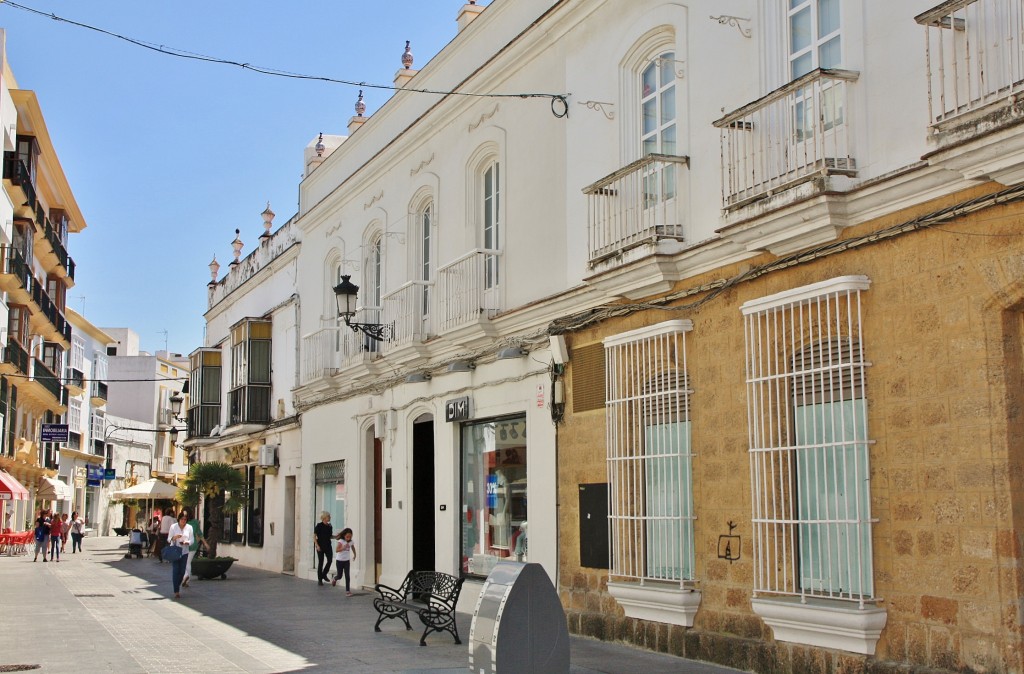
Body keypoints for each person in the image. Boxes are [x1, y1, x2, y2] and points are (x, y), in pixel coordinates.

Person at [166, 512, 194, 599]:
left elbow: (192, 539)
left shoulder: (189, 527)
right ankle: (176, 591)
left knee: (182, 571)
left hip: (185, 551)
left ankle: (177, 584)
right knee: (175, 571)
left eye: (185, 519)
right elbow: (168, 539)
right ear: (179, 519)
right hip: (175, 551)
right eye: (182, 519)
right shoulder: (173, 527)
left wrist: (187, 542)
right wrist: (174, 538)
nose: (183, 521)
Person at [183, 512, 209, 587]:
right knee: (188, 562)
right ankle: (187, 579)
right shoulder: (195, 522)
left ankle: (185, 577)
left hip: (184, 544)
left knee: (185, 562)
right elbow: (200, 534)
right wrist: (206, 544)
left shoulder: (182, 522)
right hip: (193, 543)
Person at [313, 511, 338, 586]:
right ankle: (320, 579)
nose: (330, 517)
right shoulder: (319, 526)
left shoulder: (330, 526)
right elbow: (314, 536)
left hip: (328, 545)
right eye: (328, 516)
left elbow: (329, 536)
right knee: (321, 562)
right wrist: (317, 545)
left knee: (330, 560)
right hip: (320, 545)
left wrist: (335, 537)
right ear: (324, 518)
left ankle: (324, 574)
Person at [332, 528, 357, 596]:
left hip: (346, 561)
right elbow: (336, 550)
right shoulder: (341, 541)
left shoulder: (351, 542)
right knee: (340, 576)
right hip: (339, 561)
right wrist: (342, 548)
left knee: (347, 576)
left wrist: (355, 554)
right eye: (347, 537)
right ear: (344, 536)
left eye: (350, 537)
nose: (348, 538)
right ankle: (335, 578)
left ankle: (347, 591)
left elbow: (353, 547)